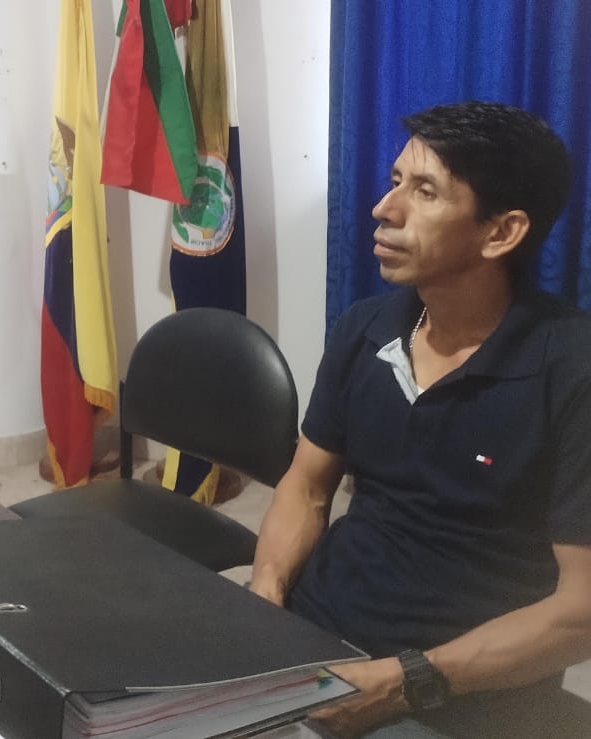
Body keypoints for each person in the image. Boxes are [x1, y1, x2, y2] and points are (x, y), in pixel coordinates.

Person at [249, 101, 591, 738]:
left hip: (460, 686)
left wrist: (401, 682)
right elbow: (307, 486)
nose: (385, 208)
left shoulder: (572, 370)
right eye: (395, 181)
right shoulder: (366, 327)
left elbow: (581, 612)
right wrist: (266, 594)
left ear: (500, 232)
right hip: (315, 633)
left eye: (425, 191)